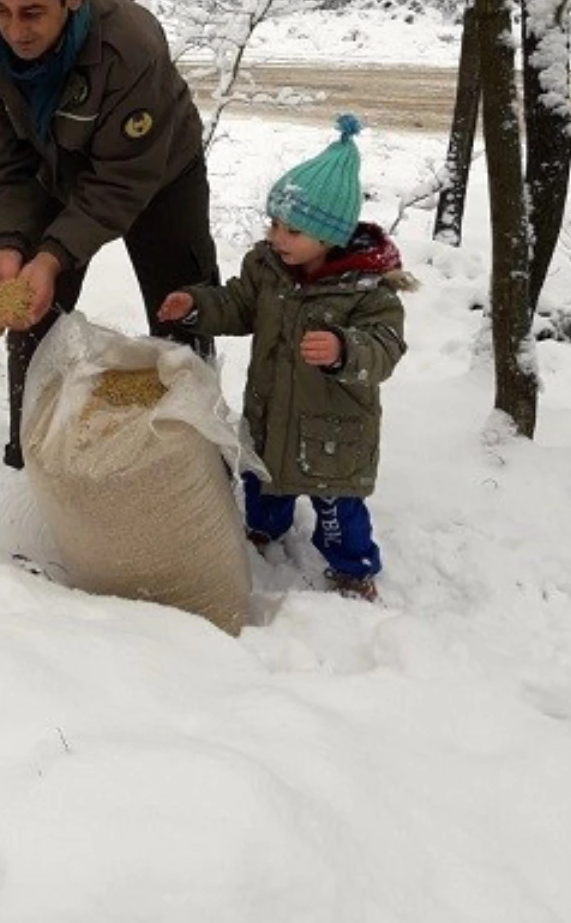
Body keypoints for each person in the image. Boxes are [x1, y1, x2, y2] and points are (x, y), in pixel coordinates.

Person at [0, 0, 218, 468]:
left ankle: (199, 458)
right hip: (53, 172)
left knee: (182, 310)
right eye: (0, 10)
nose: (15, 31)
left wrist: (54, 255)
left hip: (158, 174)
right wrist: (9, 249)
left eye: (32, 13)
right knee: (32, 310)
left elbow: (122, 181)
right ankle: (28, 454)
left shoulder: (129, 47)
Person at [158, 114, 412, 601]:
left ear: (330, 235)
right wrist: (196, 306)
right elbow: (237, 304)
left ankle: (353, 567)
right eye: (274, 224)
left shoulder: (367, 291)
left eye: (292, 230)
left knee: (339, 510)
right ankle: (264, 530)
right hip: (272, 412)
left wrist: (343, 350)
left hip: (332, 430)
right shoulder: (268, 269)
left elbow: (385, 346)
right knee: (264, 484)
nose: (278, 237)